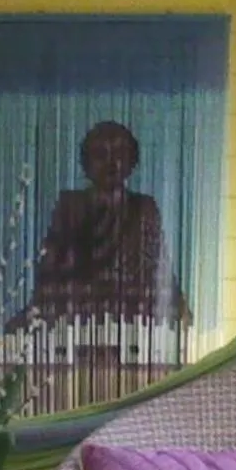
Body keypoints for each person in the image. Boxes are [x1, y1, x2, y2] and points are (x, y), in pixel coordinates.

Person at [21, 120, 183, 327]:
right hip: (80, 306)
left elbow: (158, 265)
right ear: (86, 164)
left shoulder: (144, 207)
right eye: (100, 155)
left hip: (131, 307)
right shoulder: (70, 206)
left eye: (119, 155)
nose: (111, 163)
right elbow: (51, 267)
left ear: (131, 161)